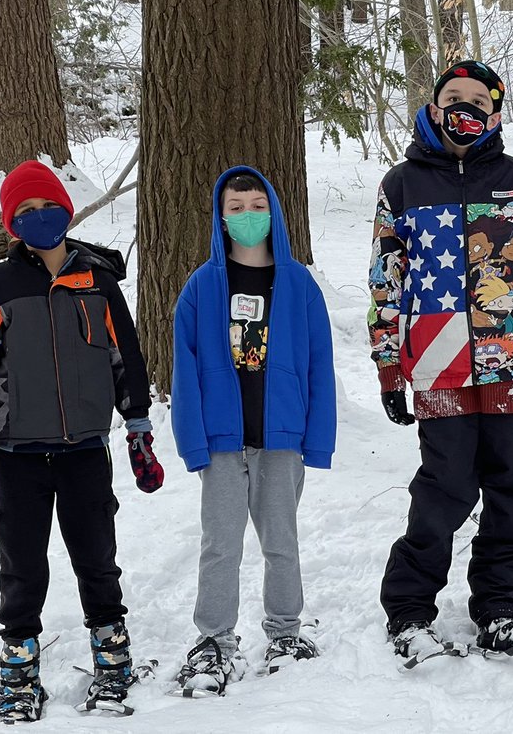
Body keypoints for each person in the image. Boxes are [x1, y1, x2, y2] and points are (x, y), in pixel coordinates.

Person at [368, 60, 513, 661]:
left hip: (512, 362)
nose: (463, 107)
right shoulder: (402, 185)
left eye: (476, 100)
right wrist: (389, 366)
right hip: (439, 363)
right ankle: (410, 608)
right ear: (434, 109)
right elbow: (387, 283)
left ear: (495, 113)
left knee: (512, 488)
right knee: (446, 488)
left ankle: (501, 609)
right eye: (451, 97)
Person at [0, 160, 162, 724]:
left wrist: (137, 426)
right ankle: (18, 670)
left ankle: (112, 659)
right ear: (11, 225)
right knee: (22, 564)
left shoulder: (98, 282)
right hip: (17, 454)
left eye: (46, 207)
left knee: (97, 558)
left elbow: (128, 358)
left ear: (65, 211)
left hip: (86, 452)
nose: (38, 218)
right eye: (24, 213)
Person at [171, 167, 336, 691]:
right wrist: (193, 440)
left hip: (281, 437)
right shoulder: (202, 286)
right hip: (223, 441)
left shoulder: (299, 284)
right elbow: (185, 368)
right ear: (221, 217)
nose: (248, 216)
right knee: (220, 544)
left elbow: (318, 363)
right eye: (236, 207)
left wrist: (317, 437)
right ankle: (214, 640)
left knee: (280, 541)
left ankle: (286, 631)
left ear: (274, 212)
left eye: (256, 205)